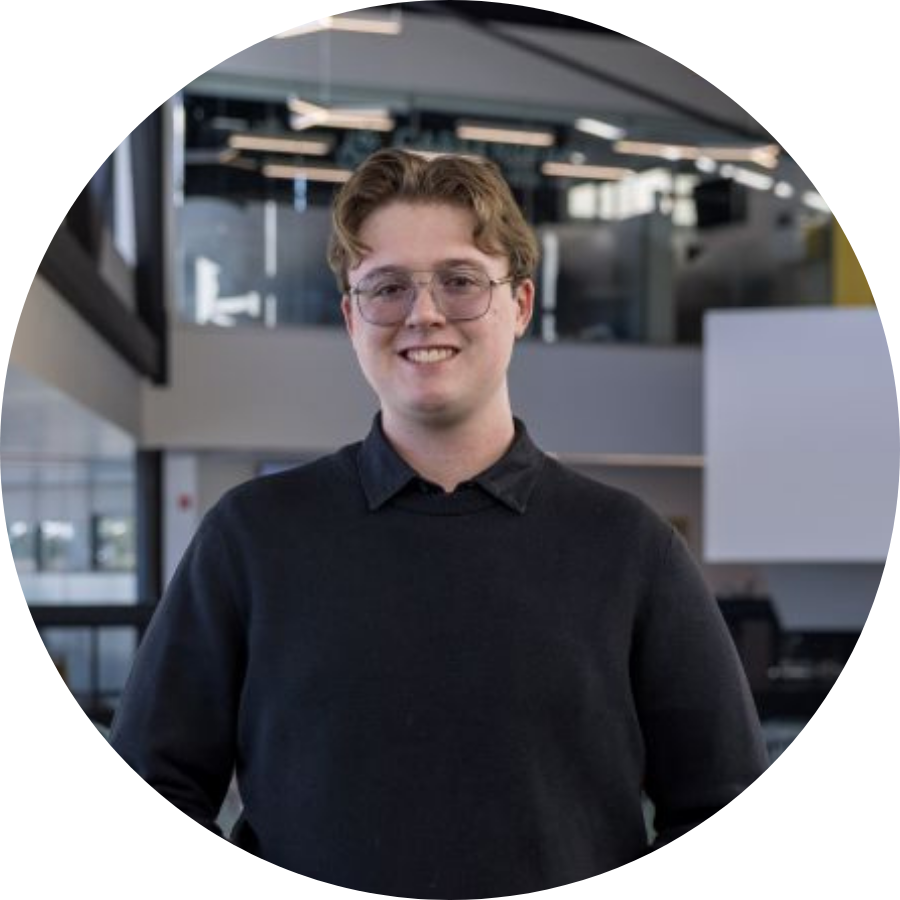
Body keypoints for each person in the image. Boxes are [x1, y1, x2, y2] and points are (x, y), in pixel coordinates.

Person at [111, 149, 768, 898]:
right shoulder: (252, 538)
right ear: (351, 317)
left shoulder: (631, 547)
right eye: (387, 287)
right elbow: (151, 793)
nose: (424, 313)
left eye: (459, 281)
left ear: (519, 305)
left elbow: (723, 813)